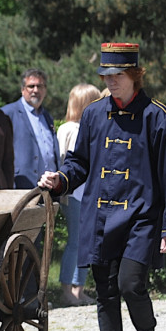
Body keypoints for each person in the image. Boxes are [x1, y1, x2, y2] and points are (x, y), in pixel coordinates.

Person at [38, 43, 166, 331]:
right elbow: (79, 164)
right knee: (105, 293)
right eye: (106, 75)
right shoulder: (92, 114)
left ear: (134, 76)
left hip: (141, 216)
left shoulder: (157, 116)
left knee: (132, 285)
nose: (110, 81)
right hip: (100, 217)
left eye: (117, 75)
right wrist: (61, 179)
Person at [56, 83, 102, 306]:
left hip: (85, 194)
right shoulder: (72, 130)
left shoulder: (77, 128)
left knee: (84, 242)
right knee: (77, 241)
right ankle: (68, 289)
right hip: (75, 194)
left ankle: (78, 289)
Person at [0, 69, 59, 189]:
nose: (35, 90)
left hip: (48, 188)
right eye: (31, 86)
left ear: (45, 89)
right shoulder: (8, 114)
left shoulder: (47, 117)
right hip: (20, 187)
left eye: (40, 86)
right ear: (22, 89)